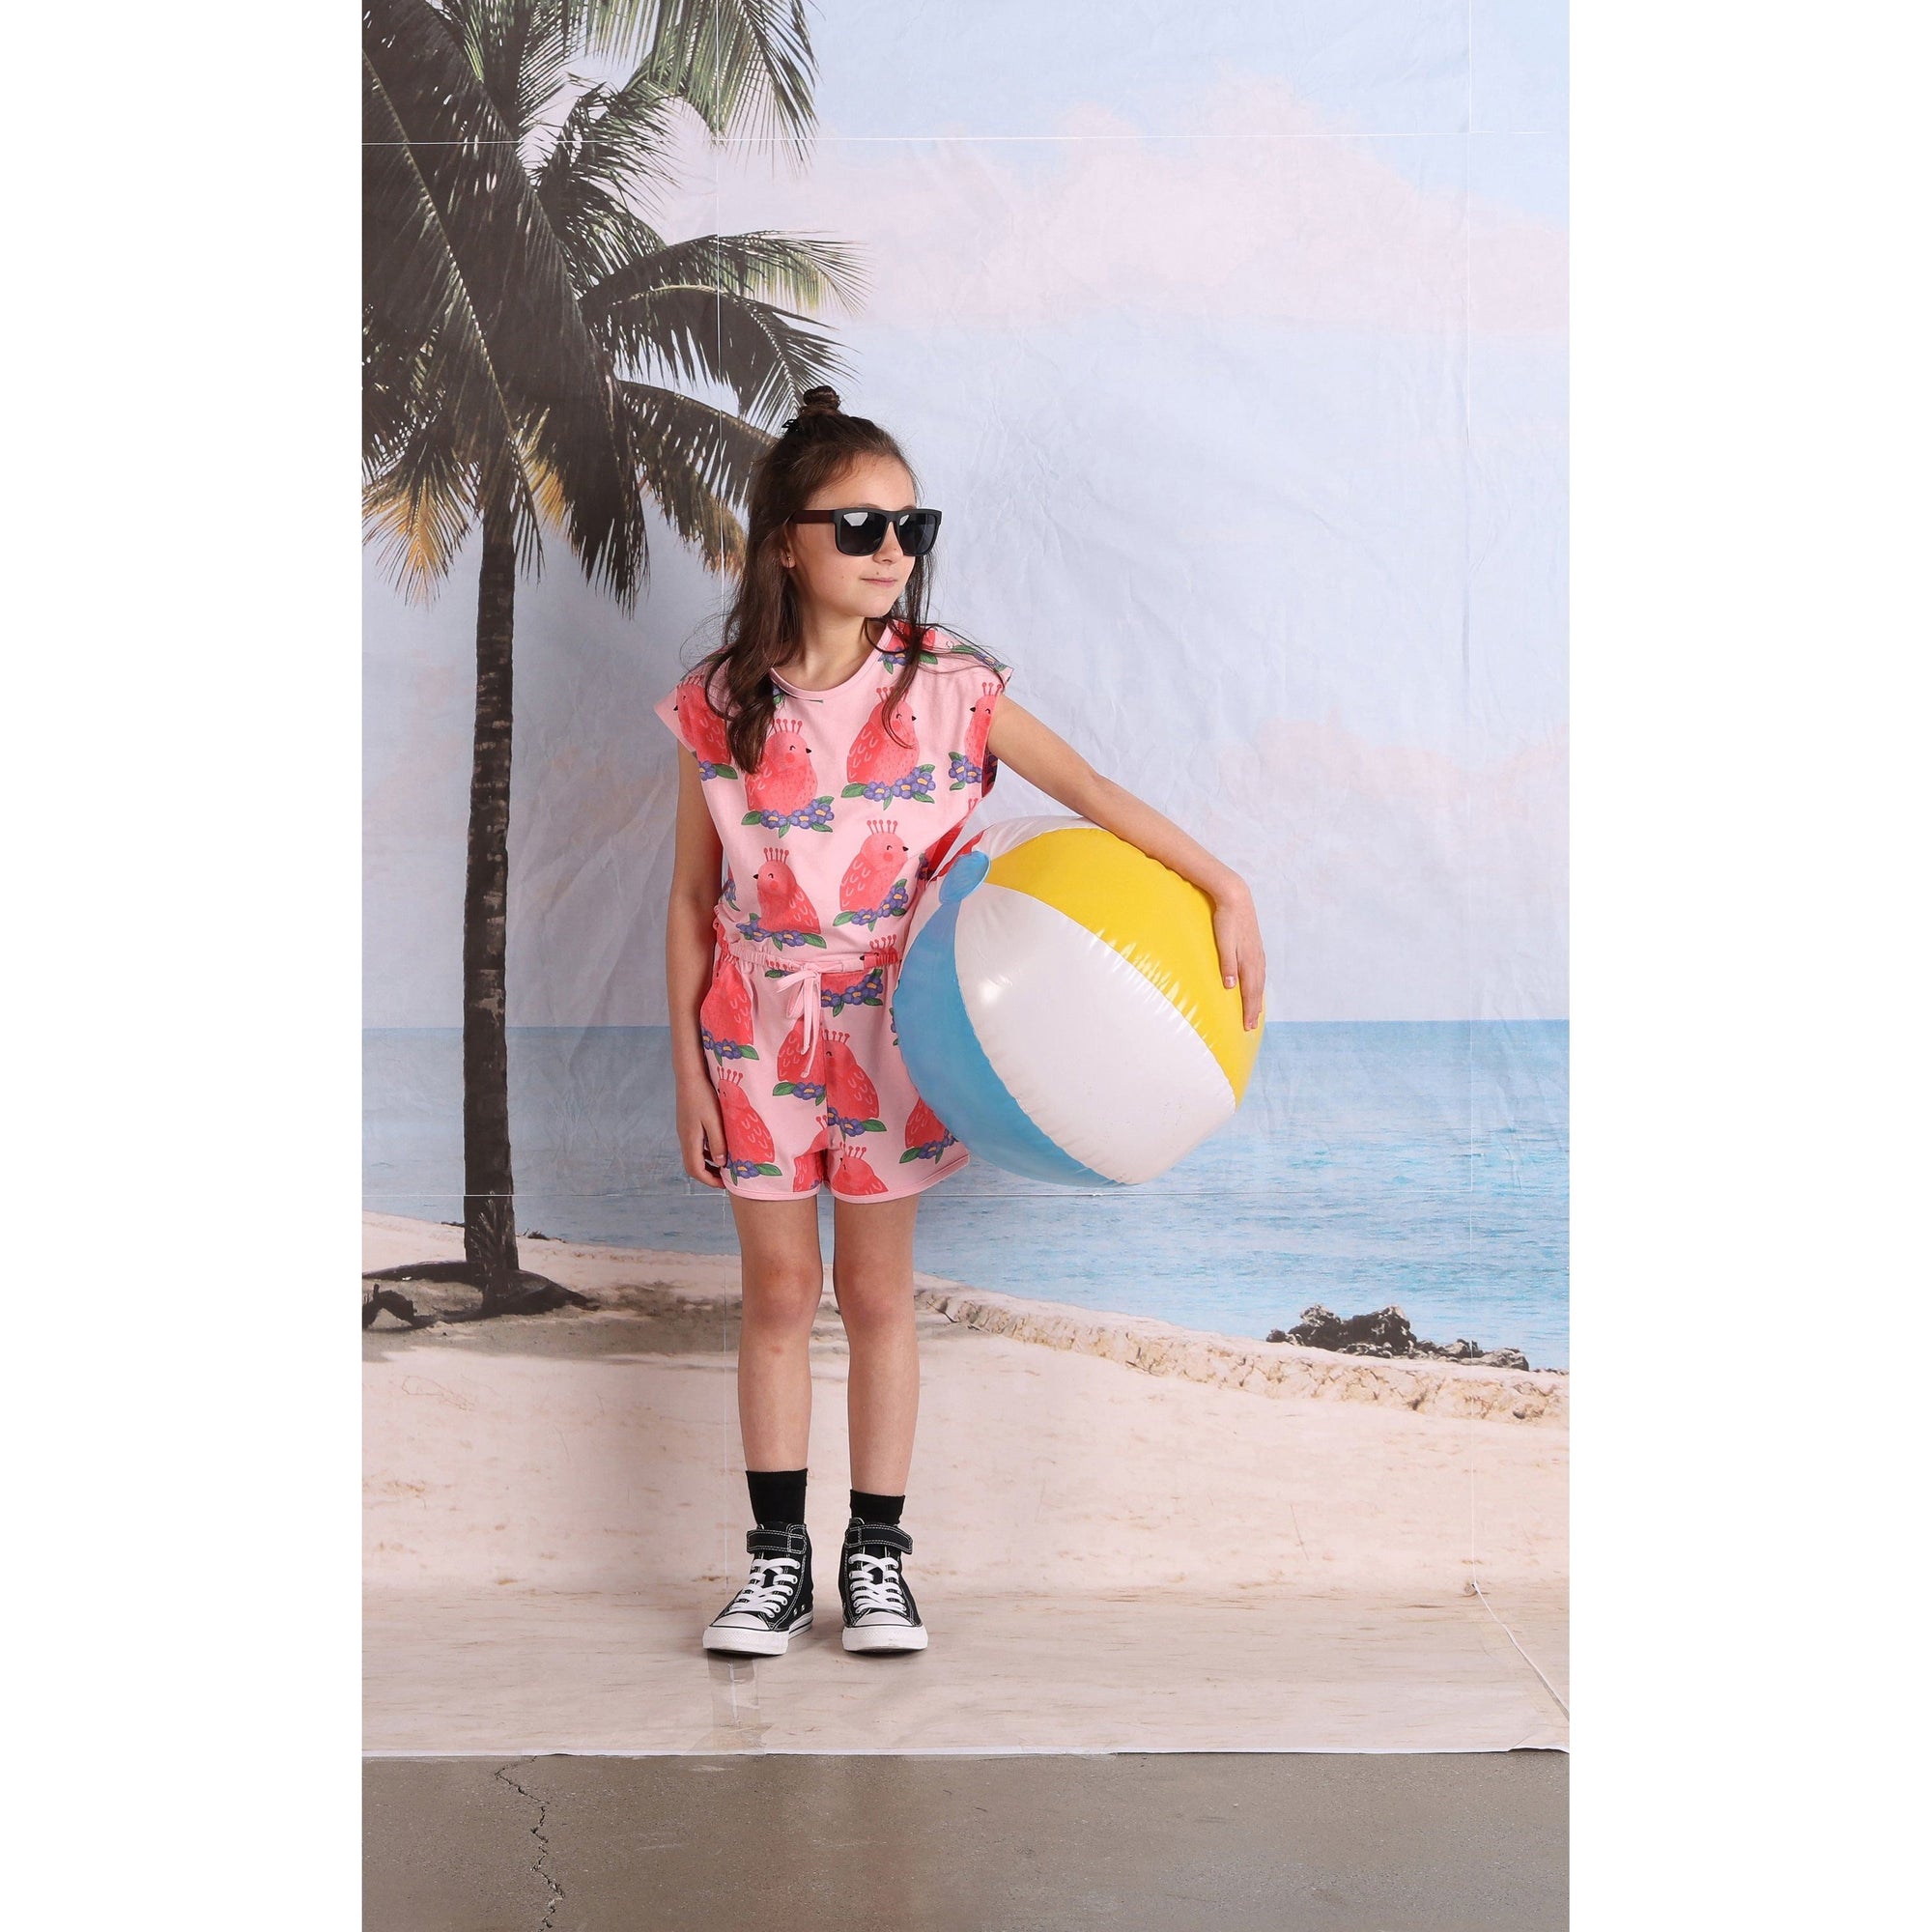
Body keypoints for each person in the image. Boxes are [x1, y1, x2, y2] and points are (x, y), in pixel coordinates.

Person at [652, 385, 1265, 1658]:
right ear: (786, 544)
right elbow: (690, 898)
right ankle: (776, 1565)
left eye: (910, 527)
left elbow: (1089, 789)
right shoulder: (720, 702)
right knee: (778, 1294)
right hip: (755, 1031)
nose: (892, 551)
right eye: (860, 526)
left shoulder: (950, 689)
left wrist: (1225, 884)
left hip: (900, 1029)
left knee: (878, 1293)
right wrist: (689, 1077)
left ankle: (878, 1559)